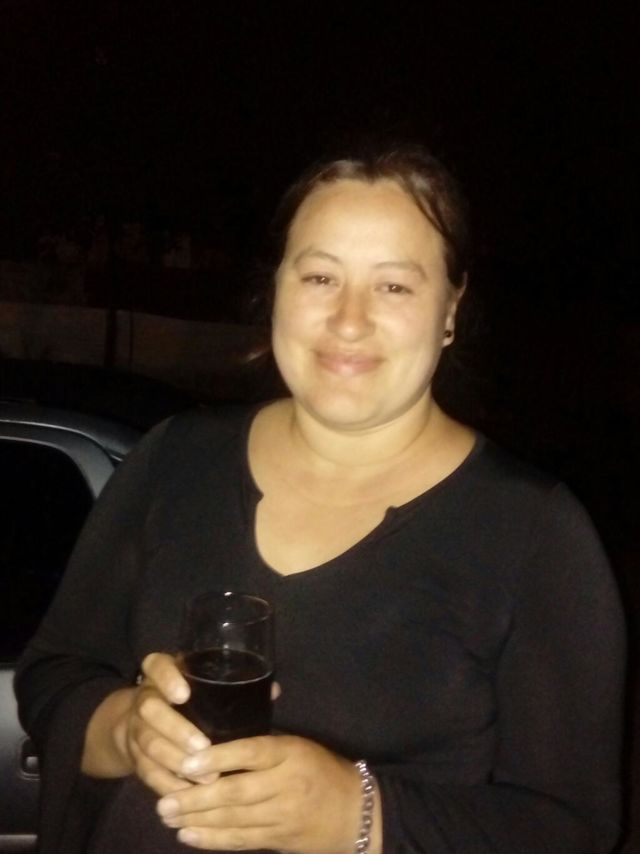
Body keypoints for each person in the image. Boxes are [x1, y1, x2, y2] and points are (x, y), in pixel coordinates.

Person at [15, 144, 625, 854]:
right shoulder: (173, 458)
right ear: (277, 287)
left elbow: (571, 826)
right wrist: (126, 729)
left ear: (450, 310)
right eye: (320, 277)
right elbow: (54, 674)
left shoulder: (534, 533)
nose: (348, 320)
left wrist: (358, 815)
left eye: (393, 286)